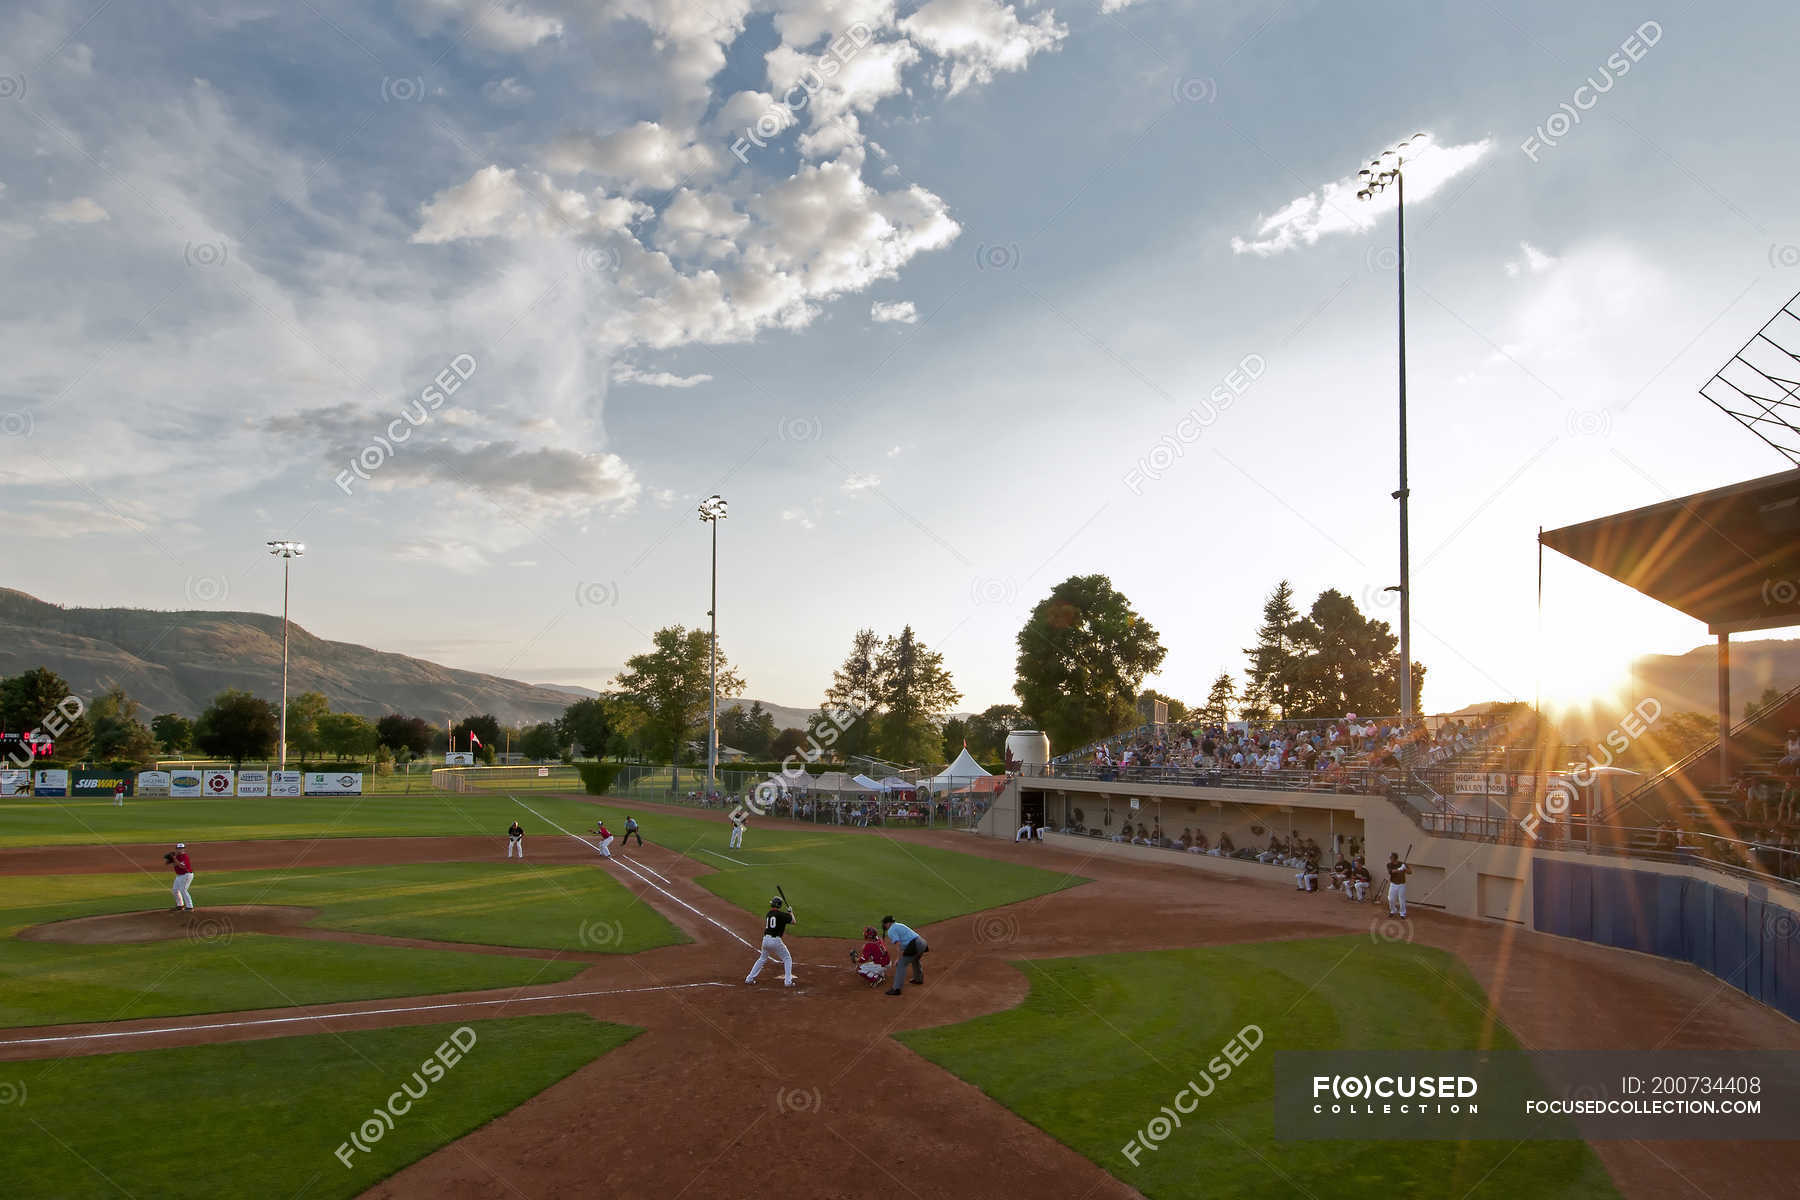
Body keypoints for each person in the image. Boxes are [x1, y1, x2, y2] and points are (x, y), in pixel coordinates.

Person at [745, 895, 796, 987]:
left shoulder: (769, 914)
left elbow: (778, 918)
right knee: (787, 958)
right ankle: (788, 982)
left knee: (762, 958)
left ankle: (749, 978)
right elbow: (793, 921)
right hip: (775, 941)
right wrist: (790, 912)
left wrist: (787, 914)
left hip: (765, 940)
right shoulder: (781, 915)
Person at [881, 915, 928, 996]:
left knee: (901, 964)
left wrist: (898, 958)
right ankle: (918, 979)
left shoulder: (891, 930)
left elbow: (898, 944)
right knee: (915, 959)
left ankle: (896, 989)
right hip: (922, 943)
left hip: (915, 945)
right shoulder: (899, 925)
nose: (884, 925)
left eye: (884, 923)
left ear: (888, 923)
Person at [168, 843, 194, 912]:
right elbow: (175, 865)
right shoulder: (177, 856)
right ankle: (180, 905)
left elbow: (181, 866)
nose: (180, 850)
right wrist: (172, 860)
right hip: (179, 876)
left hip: (186, 875)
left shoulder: (185, 856)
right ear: (176, 849)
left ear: (184, 849)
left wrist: (174, 859)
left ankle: (190, 906)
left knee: (183, 890)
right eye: (179, 848)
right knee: (175, 890)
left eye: (181, 848)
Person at [1386, 852, 1410, 917]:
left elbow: (1410, 872)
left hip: (1402, 884)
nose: (1390, 858)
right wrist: (1399, 869)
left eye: (1391, 857)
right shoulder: (1389, 864)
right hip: (1393, 884)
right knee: (1390, 899)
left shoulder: (1402, 864)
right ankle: (1393, 910)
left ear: (1395, 858)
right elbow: (1391, 872)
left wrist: (1405, 868)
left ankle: (1402, 913)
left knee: (1401, 899)